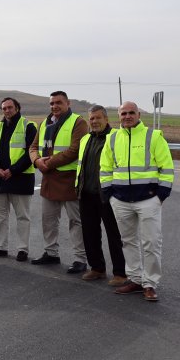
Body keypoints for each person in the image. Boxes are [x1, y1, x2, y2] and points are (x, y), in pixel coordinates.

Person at [101, 101, 174, 301]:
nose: (127, 116)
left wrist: (161, 195)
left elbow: (166, 168)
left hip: (148, 200)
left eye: (131, 112)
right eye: (123, 113)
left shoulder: (154, 136)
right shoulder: (113, 138)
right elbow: (105, 168)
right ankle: (135, 279)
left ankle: (150, 284)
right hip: (120, 200)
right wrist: (109, 194)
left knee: (151, 242)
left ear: (139, 114)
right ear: (119, 116)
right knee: (128, 241)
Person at [29, 91, 89, 273]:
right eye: (51, 103)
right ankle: (51, 253)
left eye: (58, 103)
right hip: (49, 179)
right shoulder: (45, 123)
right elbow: (33, 147)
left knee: (76, 222)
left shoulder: (78, 122)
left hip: (70, 179)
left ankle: (80, 259)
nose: (54, 106)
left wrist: (47, 163)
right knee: (48, 220)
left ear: (68, 103)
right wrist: (36, 161)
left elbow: (75, 149)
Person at [76, 105, 127, 285]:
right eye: (91, 119)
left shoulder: (116, 138)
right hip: (87, 194)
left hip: (108, 194)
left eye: (98, 118)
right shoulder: (85, 140)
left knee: (114, 235)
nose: (94, 122)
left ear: (106, 119)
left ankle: (120, 273)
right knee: (90, 233)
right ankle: (97, 268)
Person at [0, 98, 37, 262]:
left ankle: (22, 249)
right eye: (4, 108)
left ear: (17, 107)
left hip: (20, 179)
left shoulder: (28, 126)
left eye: (10, 107)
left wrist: (12, 171)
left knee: (22, 217)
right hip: (0, 179)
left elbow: (31, 152)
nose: (7, 110)